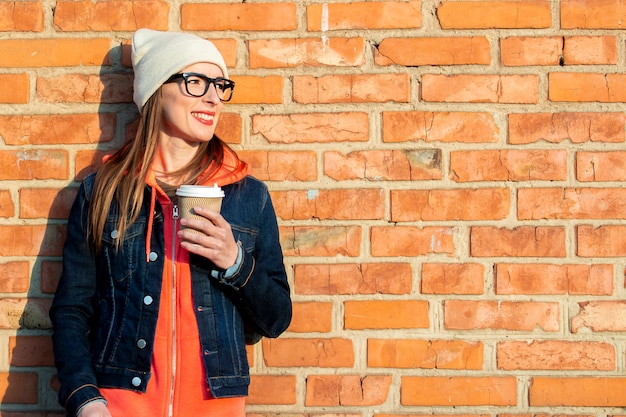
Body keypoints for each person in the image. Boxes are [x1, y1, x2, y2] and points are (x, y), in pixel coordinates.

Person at [50, 28, 292, 417]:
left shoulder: (248, 196)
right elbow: (72, 311)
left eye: (220, 85)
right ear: (156, 90)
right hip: (120, 405)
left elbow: (277, 318)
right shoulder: (103, 194)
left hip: (216, 406)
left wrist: (235, 262)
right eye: (195, 82)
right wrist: (85, 399)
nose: (213, 97)